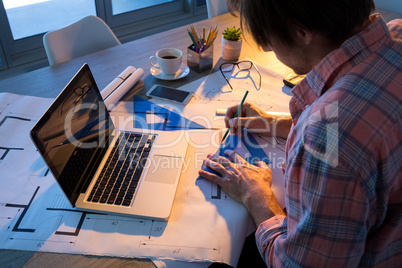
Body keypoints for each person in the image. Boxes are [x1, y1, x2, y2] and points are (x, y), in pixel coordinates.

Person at [198, 0, 402, 267]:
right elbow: (363, 115)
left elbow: (297, 264)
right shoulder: (396, 33)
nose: (267, 48)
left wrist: (256, 196)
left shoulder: (325, 139)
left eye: (267, 38)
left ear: (302, 33)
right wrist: (273, 123)